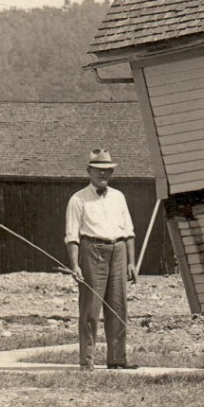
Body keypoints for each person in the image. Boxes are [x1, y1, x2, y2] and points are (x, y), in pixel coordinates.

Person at [64, 148, 137, 370]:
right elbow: (72, 235)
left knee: (118, 306)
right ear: (89, 171)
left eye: (107, 171)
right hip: (92, 250)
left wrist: (131, 262)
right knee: (90, 309)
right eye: (98, 171)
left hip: (119, 250)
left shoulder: (119, 197)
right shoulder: (78, 199)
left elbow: (129, 231)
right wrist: (75, 265)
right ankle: (87, 361)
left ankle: (118, 359)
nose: (103, 175)